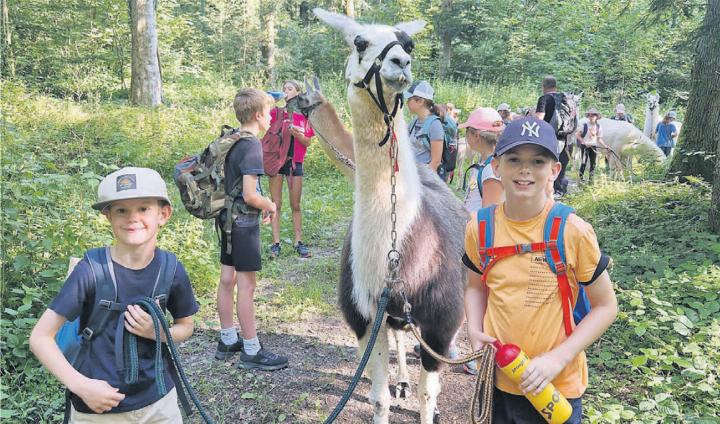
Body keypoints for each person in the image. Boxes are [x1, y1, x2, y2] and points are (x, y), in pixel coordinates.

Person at [463, 117, 618, 423]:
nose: (525, 170)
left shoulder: (573, 231)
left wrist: (557, 358)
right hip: (498, 382)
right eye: (514, 159)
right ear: (496, 167)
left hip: (555, 387)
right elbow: (475, 287)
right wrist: (474, 330)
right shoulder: (480, 228)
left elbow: (606, 306)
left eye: (537, 161)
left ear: (554, 170)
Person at [29, 167, 200, 422]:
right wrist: (81, 386)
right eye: (121, 210)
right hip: (98, 409)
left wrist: (158, 332)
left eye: (143, 208)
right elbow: (40, 337)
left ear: (163, 214)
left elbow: (186, 325)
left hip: (159, 403)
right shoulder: (91, 270)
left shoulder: (171, 269)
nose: (132, 218)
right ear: (108, 215)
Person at [215, 88, 288, 370]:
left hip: (227, 220)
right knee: (246, 285)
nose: (271, 117)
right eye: (269, 112)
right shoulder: (252, 145)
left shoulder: (231, 138)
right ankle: (251, 349)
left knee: (227, 279)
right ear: (258, 115)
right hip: (244, 224)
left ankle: (227, 338)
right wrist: (269, 205)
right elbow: (250, 195)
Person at [268, 80, 315, 259]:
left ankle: (298, 242)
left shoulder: (304, 115)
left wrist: (298, 135)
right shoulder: (275, 113)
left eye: (289, 88)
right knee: (276, 204)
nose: (286, 91)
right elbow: (265, 129)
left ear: (298, 92)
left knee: (296, 205)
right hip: (277, 162)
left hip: (296, 162)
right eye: (284, 89)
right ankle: (276, 244)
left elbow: (308, 142)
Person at [459, 107, 505, 214]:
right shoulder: (485, 164)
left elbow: (490, 218)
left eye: (467, 131)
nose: (465, 136)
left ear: (476, 136)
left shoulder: (491, 171)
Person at [405, 80, 447, 181]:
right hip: (411, 177)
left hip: (424, 181)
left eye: (409, 99)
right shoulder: (413, 122)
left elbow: (436, 162)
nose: (406, 102)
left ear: (420, 101)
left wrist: (419, 181)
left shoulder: (434, 125)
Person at [535, 75, 569, 197]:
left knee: (547, 163)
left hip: (549, 138)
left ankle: (548, 192)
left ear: (543, 87)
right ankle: (560, 190)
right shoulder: (565, 98)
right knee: (561, 164)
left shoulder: (544, 99)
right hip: (566, 138)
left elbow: (538, 119)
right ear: (556, 86)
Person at [576, 108, 604, 182]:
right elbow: (578, 135)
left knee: (593, 163)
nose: (591, 117)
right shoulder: (584, 125)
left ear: (596, 117)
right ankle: (581, 179)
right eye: (590, 115)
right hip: (584, 146)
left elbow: (599, 138)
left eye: (593, 115)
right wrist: (584, 142)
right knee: (583, 162)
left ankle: (591, 180)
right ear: (588, 116)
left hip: (593, 146)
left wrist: (606, 146)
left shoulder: (598, 127)